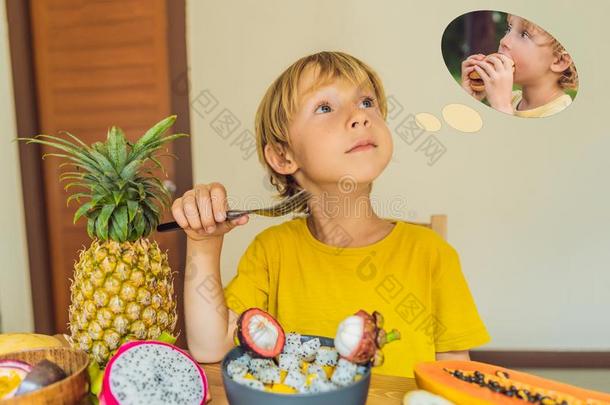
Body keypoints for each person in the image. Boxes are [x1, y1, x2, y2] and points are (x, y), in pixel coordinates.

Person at [172, 51, 491, 377]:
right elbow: (211, 346)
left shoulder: (432, 254)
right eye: (325, 107)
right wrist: (203, 243)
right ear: (283, 157)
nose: (359, 117)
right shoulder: (271, 252)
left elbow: (458, 378)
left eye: (367, 102)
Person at [461, 14, 578, 118]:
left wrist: (502, 107)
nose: (504, 41)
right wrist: (469, 103)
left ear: (559, 61)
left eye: (524, 34)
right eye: (509, 29)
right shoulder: (510, 99)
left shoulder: (561, 115)